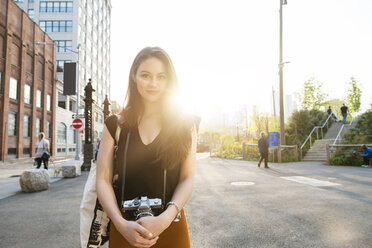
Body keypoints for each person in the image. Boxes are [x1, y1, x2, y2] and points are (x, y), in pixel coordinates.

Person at [96, 47, 197, 248]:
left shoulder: (185, 124)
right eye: (145, 75)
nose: (153, 83)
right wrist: (120, 224)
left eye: (161, 77)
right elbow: (102, 180)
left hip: (171, 225)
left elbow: (188, 178)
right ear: (134, 76)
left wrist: (165, 218)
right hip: (126, 227)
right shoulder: (115, 124)